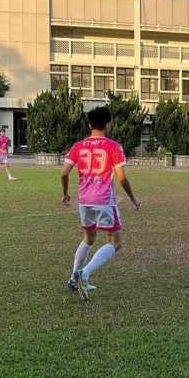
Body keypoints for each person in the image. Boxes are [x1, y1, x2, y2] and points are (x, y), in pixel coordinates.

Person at [61, 106, 141, 300]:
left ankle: (74, 278)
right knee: (116, 242)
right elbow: (121, 179)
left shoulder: (78, 146)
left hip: (84, 200)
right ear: (107, 125)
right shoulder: (113, 146)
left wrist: (65, 194)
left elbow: (64, 173)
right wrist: (133, 198)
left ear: (90, 124)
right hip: (104, 200)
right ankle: (84, 274)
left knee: (88, 238)